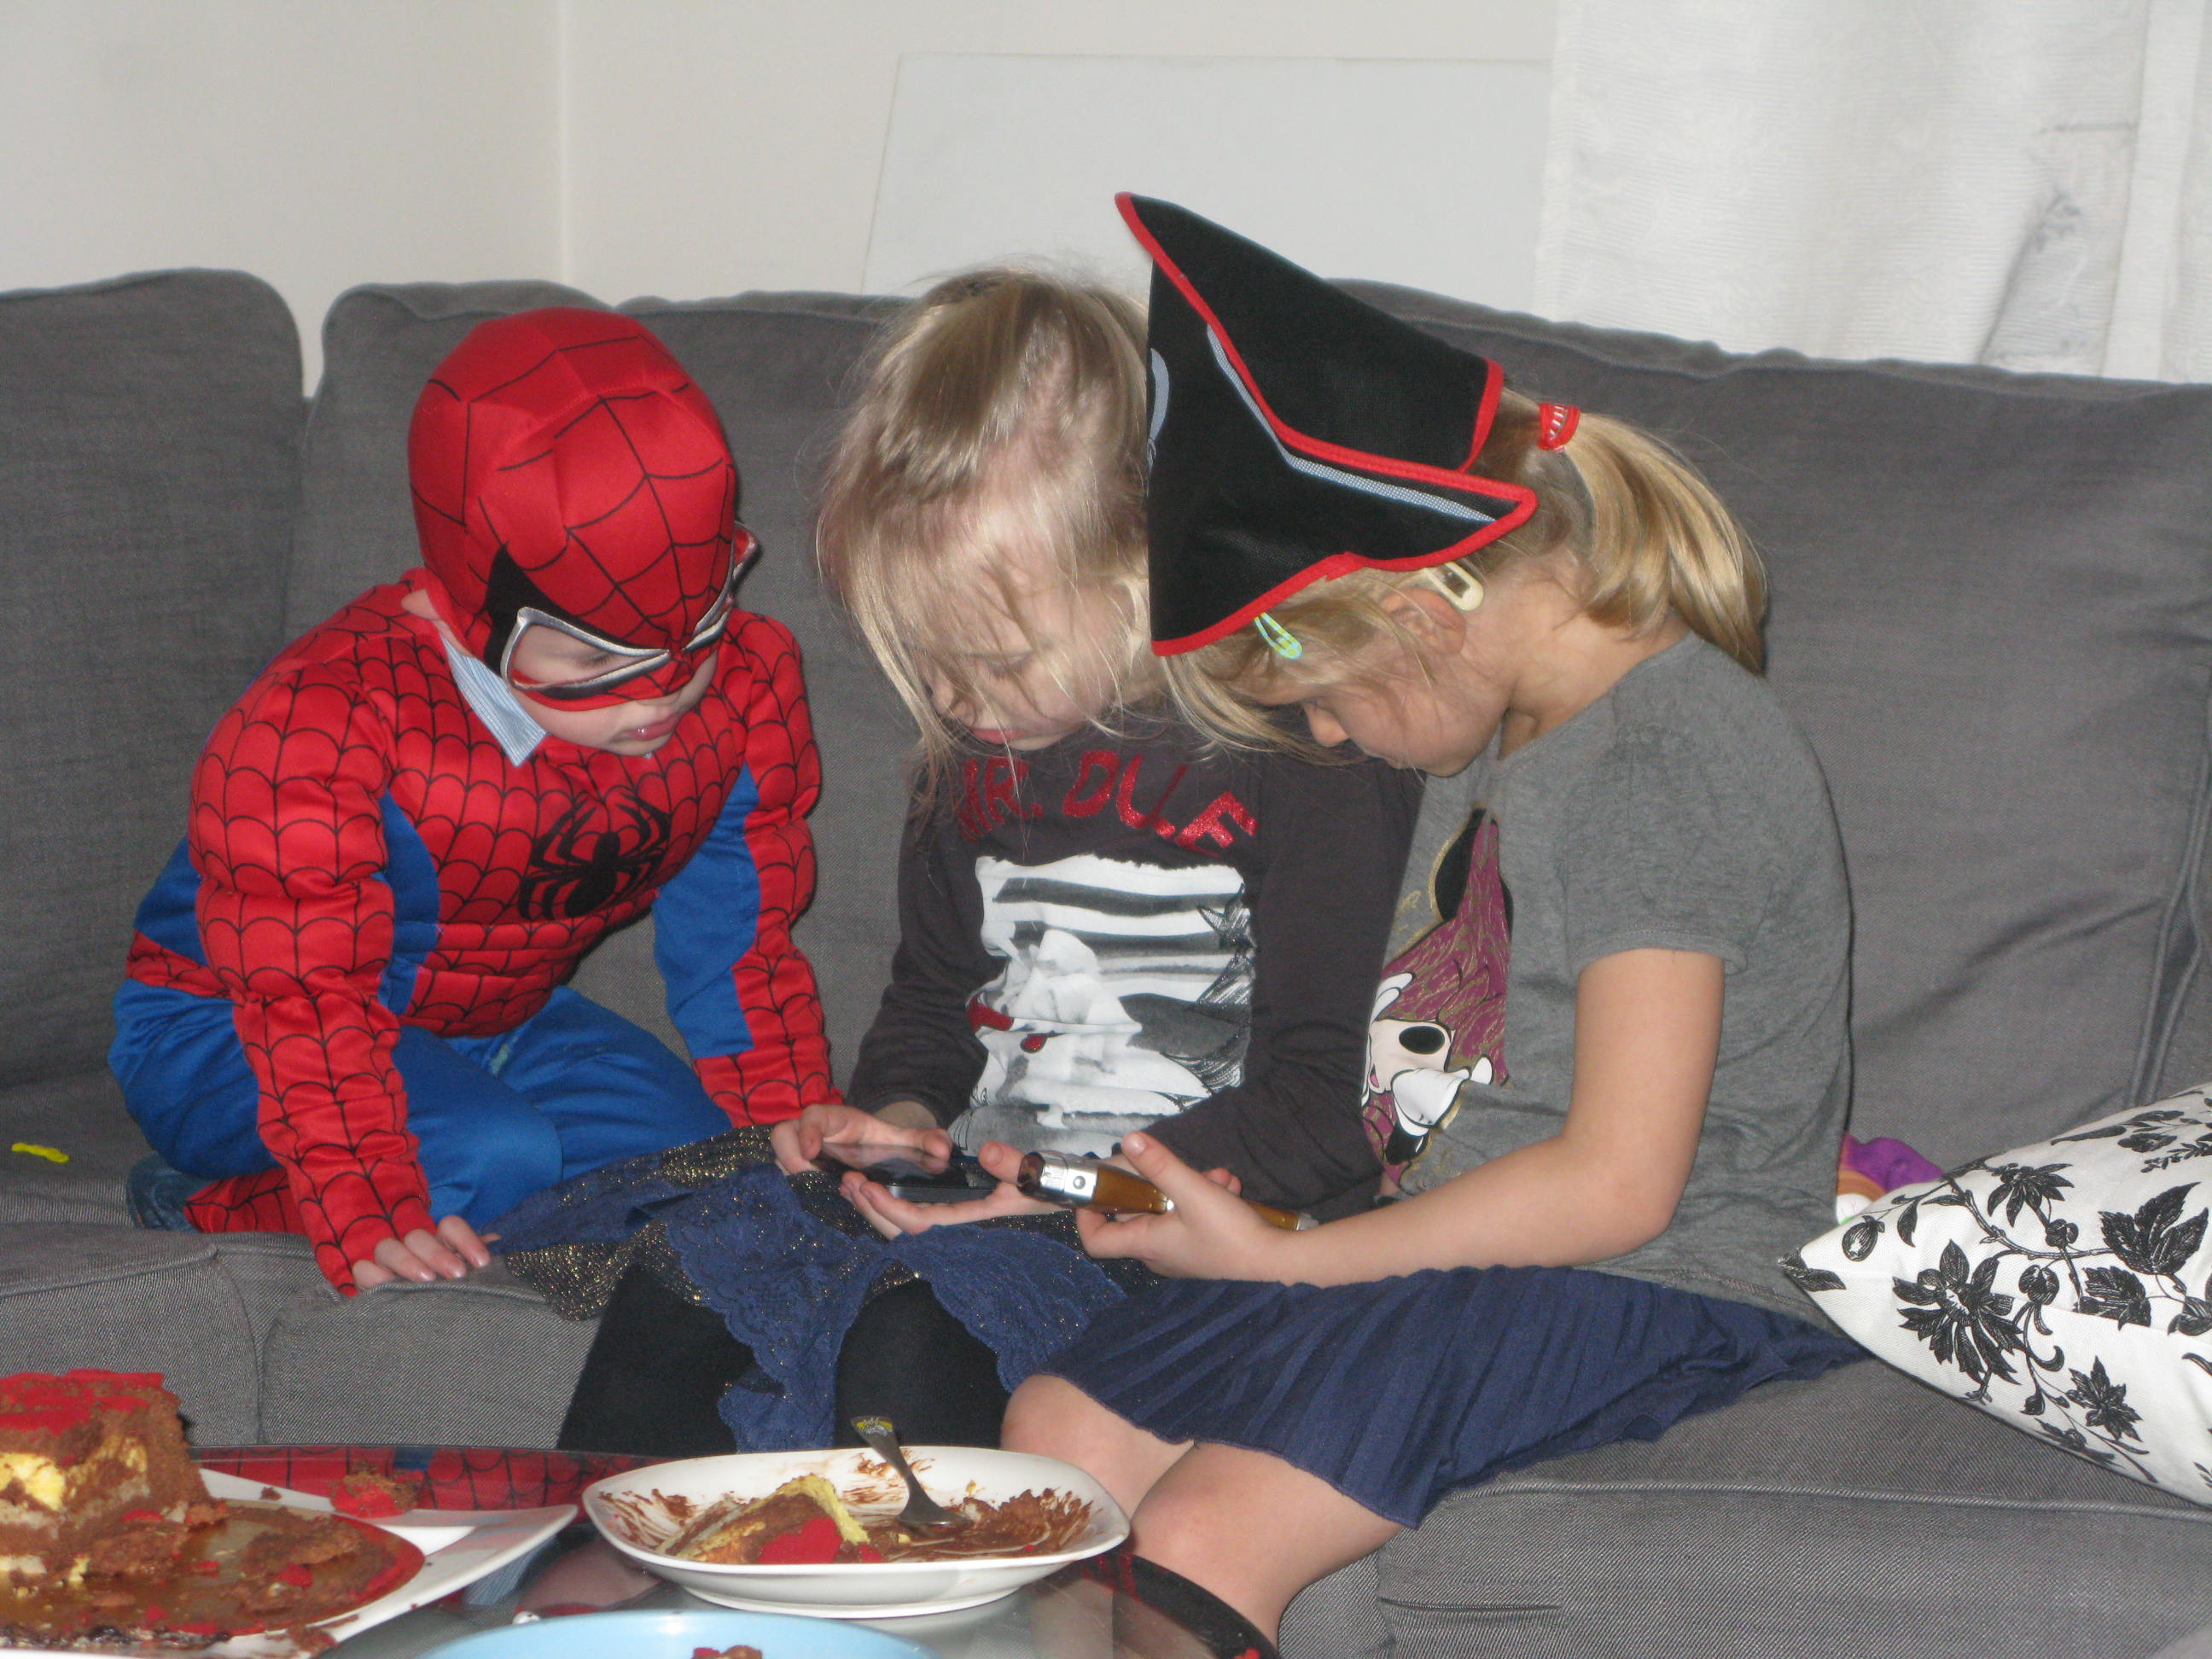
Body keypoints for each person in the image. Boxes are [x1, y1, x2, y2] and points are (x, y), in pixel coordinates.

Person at [1000, 196, 1866, 1642]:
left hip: (1662, 1276)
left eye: (1319, 701)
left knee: (1200, 1532)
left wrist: (1285, 1261)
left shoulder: (1663, 758)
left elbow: (1617, 1184)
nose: (1332, 739)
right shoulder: (1517, 741)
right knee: (1058, 1431)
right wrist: (1232, 1220)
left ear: (1419, 612)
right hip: (1482, 1260)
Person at [527, 266, 1419, 1457]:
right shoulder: (973, 758)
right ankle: (609, 1577)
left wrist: (1060, 1185)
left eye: (996, 662)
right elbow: (936, 1002)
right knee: (681, 1289)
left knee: (913, 1341)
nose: (957, 702)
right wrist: (893, 1123)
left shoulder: (1309, 754)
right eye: (926, 661)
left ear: (1144, 559)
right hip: (988, 1197)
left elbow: (1330, 1105)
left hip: (1190, 1227)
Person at [109, 307, 835, 1295]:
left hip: (491, 1018)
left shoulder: (743, 691)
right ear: (464, 611)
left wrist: (785, 1118)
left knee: (712, 1176)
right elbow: (305, 998)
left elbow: (739, 943)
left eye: (697, 636)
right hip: (228, 1024)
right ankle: (197, 1201)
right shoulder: (322, 724)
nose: (657, 700)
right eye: (594, 663)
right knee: (490, 1158)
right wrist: (360, 1198)